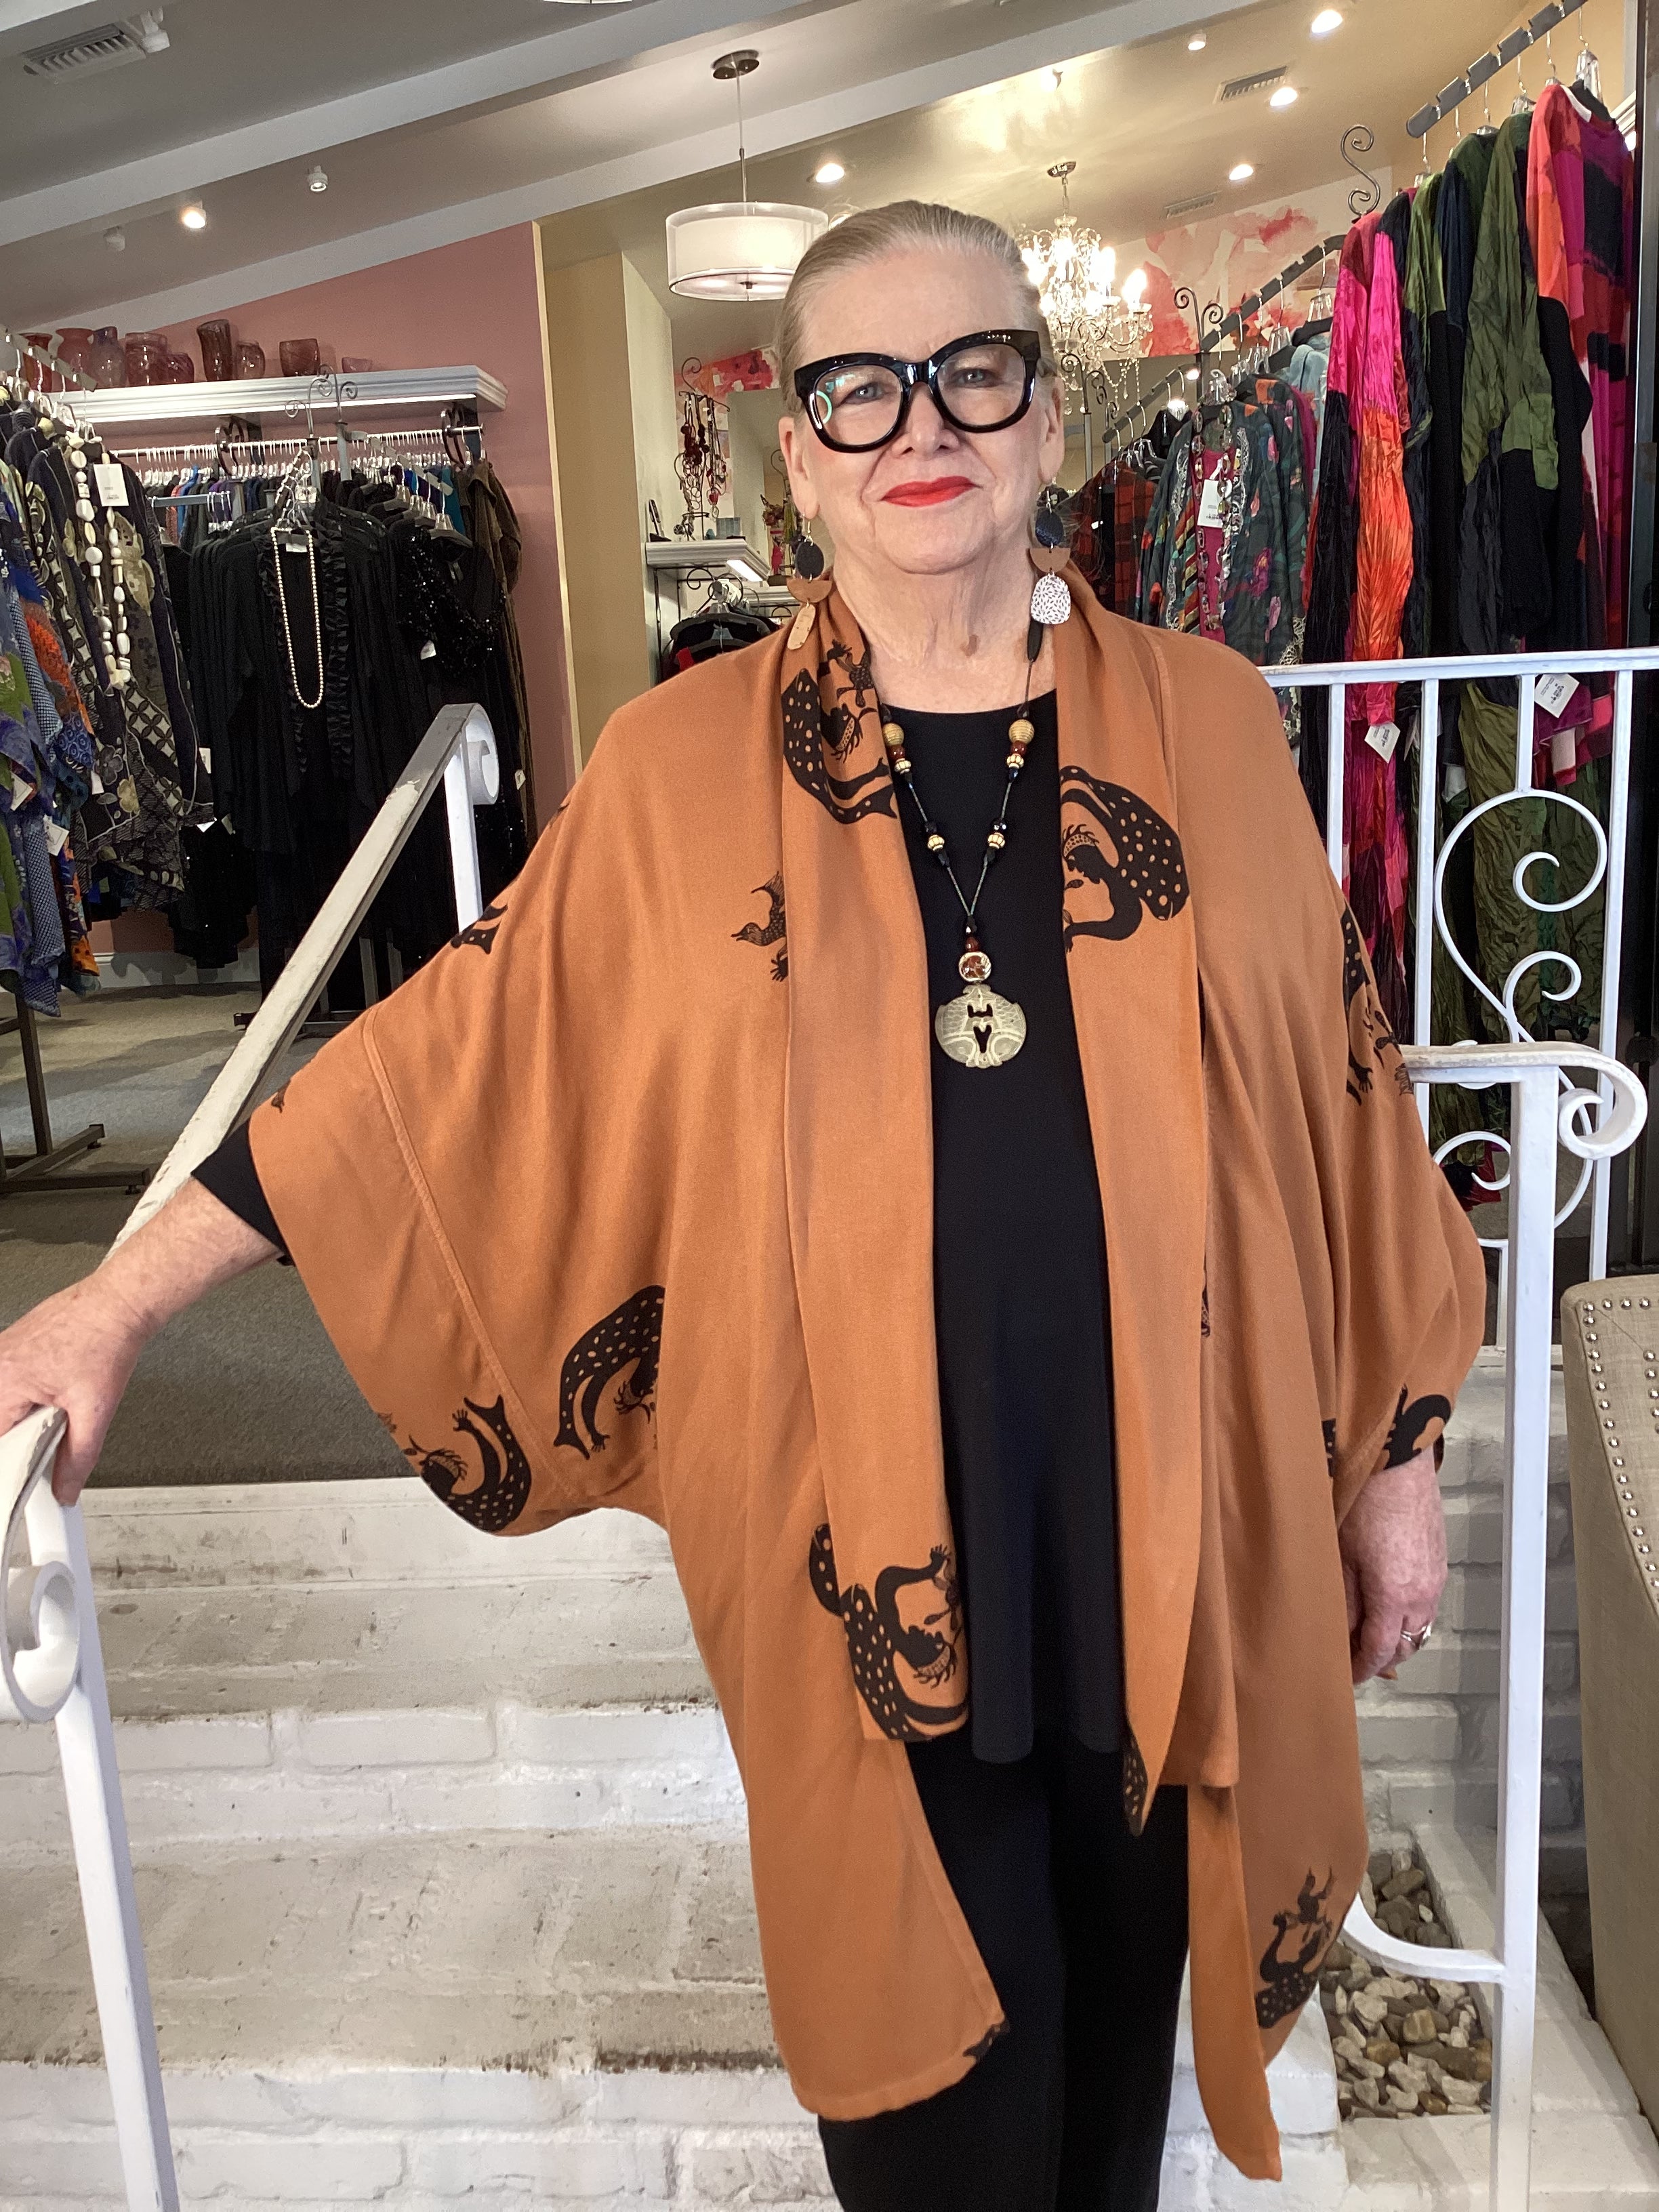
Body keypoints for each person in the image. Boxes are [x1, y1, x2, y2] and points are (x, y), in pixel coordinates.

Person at [0, 202, 1486, 2211]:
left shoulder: (1212, 723)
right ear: (799, 454)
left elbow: (1344, 1105)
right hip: (869, 1601)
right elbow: (437, 1074)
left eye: (973, 372)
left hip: (1178, 1565)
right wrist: (116, 1303)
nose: (920, 426)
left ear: (1049, 419)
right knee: (938, 2139)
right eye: (860, 389)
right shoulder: (684, 769)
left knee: (1107, 2146)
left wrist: (1399, 1465)